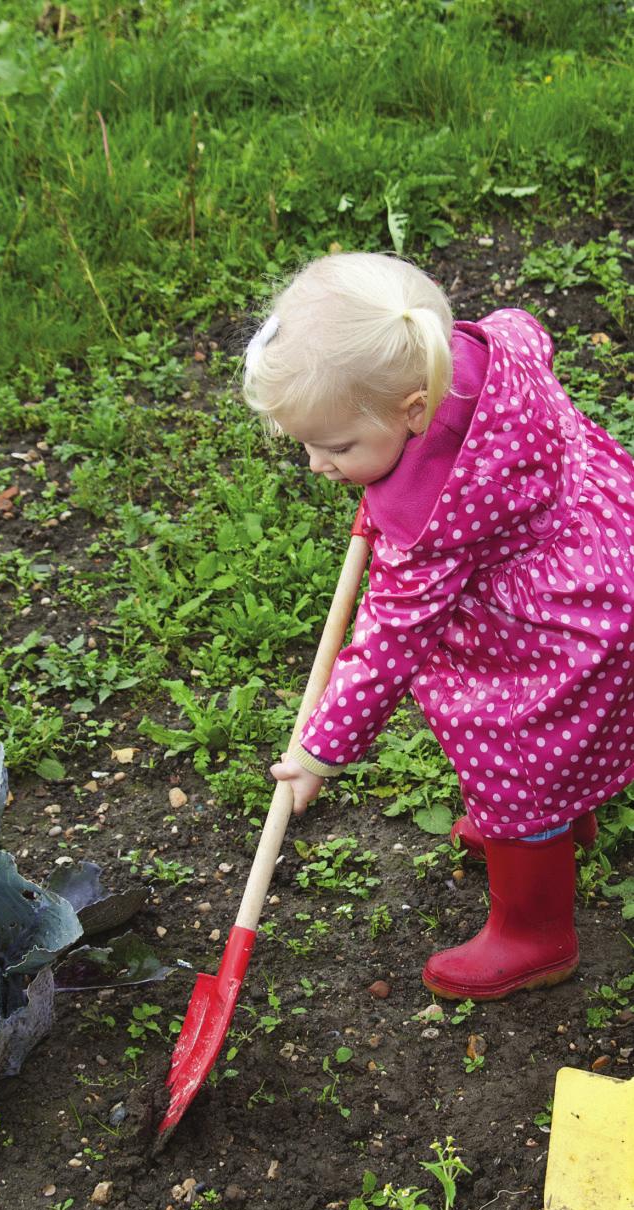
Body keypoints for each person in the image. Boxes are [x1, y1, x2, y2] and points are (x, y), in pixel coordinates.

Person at [243, 251, 634, 1001]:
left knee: (517, 753)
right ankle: (564, 819)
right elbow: (530, 329)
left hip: (555, 632)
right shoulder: (490, 346)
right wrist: (383, 464)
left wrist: (319, 753)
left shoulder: (428, 531)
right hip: (605, 547)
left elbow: (385, 647)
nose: (316, 466)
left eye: (337, 447)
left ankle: (534, 932)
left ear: (413, 411)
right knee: (561, 743)